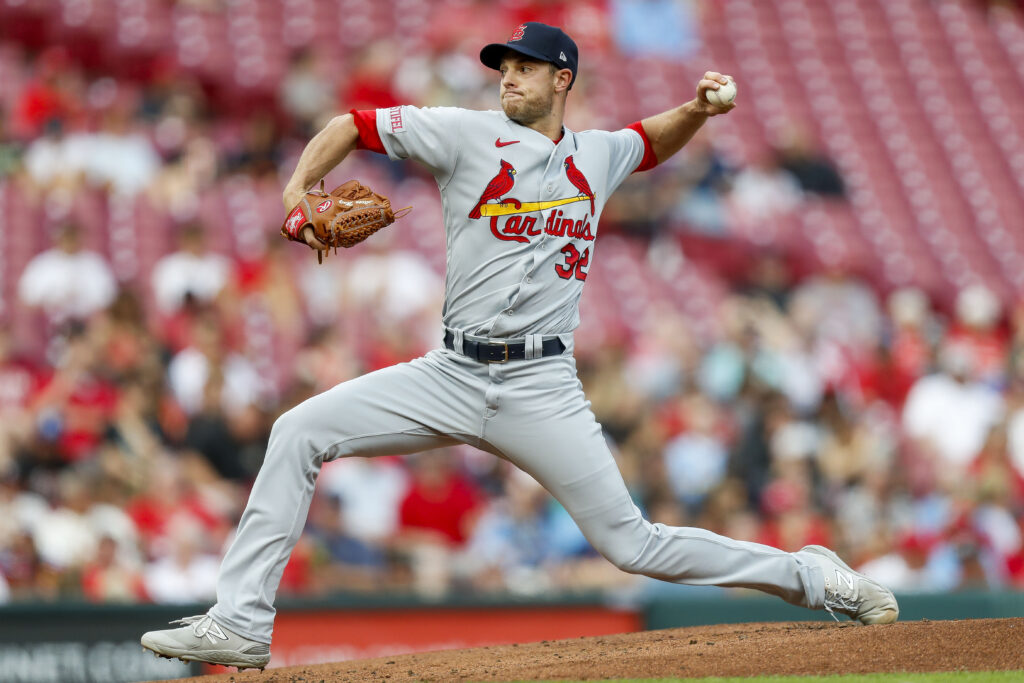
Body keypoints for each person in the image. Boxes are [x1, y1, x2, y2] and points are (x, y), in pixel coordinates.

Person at [141, 22, 898, 671]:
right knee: (297, 429)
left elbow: (648, 142)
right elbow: (351, 124)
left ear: (561, 79)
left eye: (524, 67)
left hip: (542, 384)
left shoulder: (597, 153)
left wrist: (697, 110)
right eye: (504, 67)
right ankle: (241, 621)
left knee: (632, 545)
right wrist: (296, 190)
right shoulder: (466, 132)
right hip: (450, 369)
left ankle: (810, 576)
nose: (508, 77)